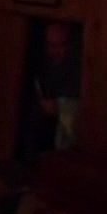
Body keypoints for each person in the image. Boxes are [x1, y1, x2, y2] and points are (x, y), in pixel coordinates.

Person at [29, 22, 81, 155]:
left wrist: (60, 107)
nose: (55, 50)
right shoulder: (40, 66)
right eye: (51, 45)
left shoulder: (78, 71)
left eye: (61, 45)